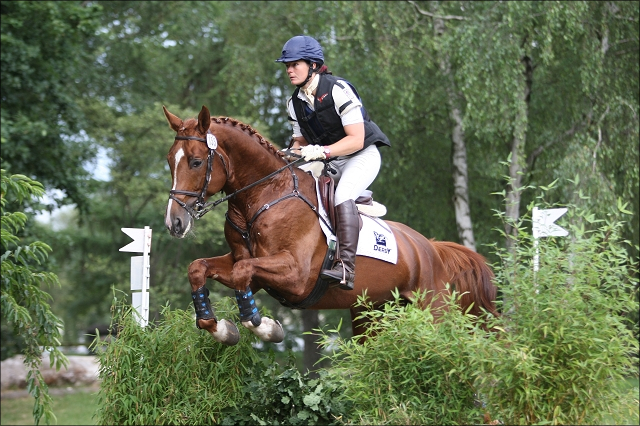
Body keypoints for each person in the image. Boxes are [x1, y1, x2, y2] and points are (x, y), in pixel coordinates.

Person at [275, 35, 391, 290]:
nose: (289, 70)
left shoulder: (338, 89)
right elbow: (300, 141)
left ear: (313, 65)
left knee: (343, 194)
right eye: (287, 66)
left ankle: (346, 268)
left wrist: (322, 152)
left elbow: (356, 139)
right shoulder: (294, 102)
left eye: (295, 64)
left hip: (361, 155)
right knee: (296, 186)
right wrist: (287, 154)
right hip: (330, 161)